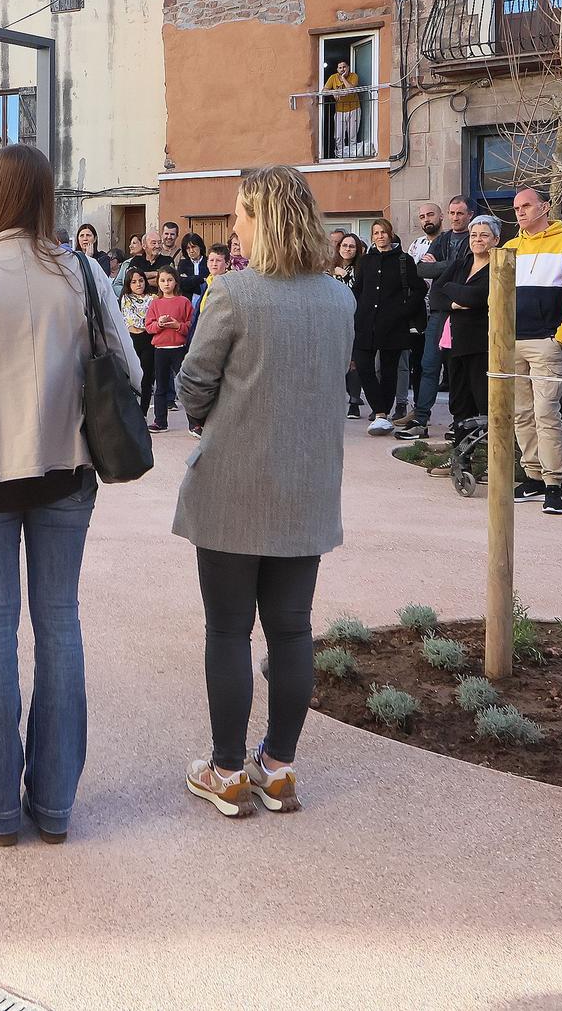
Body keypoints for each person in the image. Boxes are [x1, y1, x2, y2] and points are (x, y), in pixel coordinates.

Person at [0, 143, 139, 845]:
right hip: (66, 468)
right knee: (60, 624)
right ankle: (55, 805)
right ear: (45, 196)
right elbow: (128, 369)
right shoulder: (83, 272)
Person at [174, 165, 351, 819]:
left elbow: (194, 381)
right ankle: (277, 767)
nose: (234, 224)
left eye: (240, 213)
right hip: (307, 483)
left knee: (228, 629)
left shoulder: (234, 292)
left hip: (235, 481)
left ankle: (226, 770)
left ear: (265, 219)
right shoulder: (339, 299)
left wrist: (208, 418)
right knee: (292, 629)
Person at [504, 188, 562, 514]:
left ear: (545, 207)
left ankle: (554, 482)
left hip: (546, 341)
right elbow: (498, 294)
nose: (520, 212)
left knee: (546, 412)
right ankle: (534, 476)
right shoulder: (510, 247)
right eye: (516, 208)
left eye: (526, 206)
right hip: (512, 341)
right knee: (521, 413)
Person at [403, 197, 472, 440]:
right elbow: (423, 269)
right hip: (438, 312)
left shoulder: (473, 238)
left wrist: (442, 266)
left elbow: (469, 268)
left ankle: (459, 422)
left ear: (470, 215)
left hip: (463, 314)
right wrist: (454, 265)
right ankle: (421, 419)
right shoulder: (442, 240)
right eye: (452, 212)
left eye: (460, 213)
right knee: (429, 365)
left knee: (457, 370)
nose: (455, 217)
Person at [352, 218, 424, 436]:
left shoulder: (404, 260)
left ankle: (382, 415)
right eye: (376, 233)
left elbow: (419, 289)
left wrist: (403, 311)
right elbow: (358, 289)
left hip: (393, 325)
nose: (380, 236)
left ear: (390, 234)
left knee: (389, 370)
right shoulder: (365, 261)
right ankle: (380, 411)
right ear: (372, 237)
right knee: (363, 365)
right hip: (365, 323)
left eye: (383, 232)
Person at [436, 216, 502, 433]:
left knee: (483, 401)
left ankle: (487, 450)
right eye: (473, 235)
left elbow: (477, 297)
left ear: (496, 240)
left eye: (484, 235)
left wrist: (450, 288)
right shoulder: (460, 264)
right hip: (455, 344)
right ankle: (461, 449)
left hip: (481, 345)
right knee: (459, 402)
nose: (477, 239)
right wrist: (455, 303)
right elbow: (435, 295)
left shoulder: (499, 268)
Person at [145, 265, 195, 432]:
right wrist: (159, 324)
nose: (166, 284)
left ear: (176, 282)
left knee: (185, 386)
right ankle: (160, 421)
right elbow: (149, 327)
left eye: (170, 280)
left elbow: (190, 325)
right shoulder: (155, 303)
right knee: (161, 387)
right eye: (163, 280)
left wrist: (177, 326)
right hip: (160, 349)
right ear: (158, 283)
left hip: (179, 348)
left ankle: (194, 423)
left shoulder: (184, 302)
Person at [331, 232, 365, 417]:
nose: (347, 249)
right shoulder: (329, 268)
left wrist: (344, 275)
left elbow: (356, 292)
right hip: (332, 320)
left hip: (353, 319)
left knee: (352, 362)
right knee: (335, 361)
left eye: (352, 246)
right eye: (344, 245)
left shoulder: (360, 268)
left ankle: (354, 402)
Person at [118, 266, 156, 416]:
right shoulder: (125, 298)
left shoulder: (153, 298)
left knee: (146, 378)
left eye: (141, 280)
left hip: (148, 339)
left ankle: (143, 413)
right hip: (131, 340)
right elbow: (128, 320)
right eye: (134, 282)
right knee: (130, 377)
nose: (138, 284)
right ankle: (130, 412)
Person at [323, 60, 363, 158]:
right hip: (339, 111)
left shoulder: (354, 76)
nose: (342, 69)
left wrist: (343, 78)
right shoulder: (333, 77)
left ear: (348, 67)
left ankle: (352, 155)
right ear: (337, 69)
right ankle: (340, 156)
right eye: (340, 68)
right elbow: (324, 91)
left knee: (352, 135)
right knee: (339, 136)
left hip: (354, 109)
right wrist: (333, 92)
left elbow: (351, 89)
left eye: (344, 67)